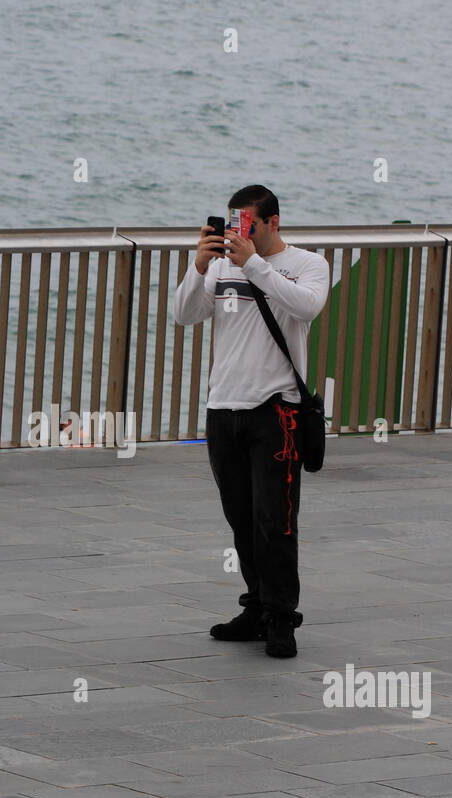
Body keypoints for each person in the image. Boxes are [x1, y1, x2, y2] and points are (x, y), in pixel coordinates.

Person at [171, 185, 330, 658]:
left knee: (275, 521)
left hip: (276, 409)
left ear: (273, 222)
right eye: (232, 224)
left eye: (248, 225)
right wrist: (199, 264)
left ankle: (283, 619)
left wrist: (253, 265)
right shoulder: (219, 266)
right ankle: (256, 607)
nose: (238, 233)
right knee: (240, 519)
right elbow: (183, 315)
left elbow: (308, 308)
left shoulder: (307, 265)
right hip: (224, 408)